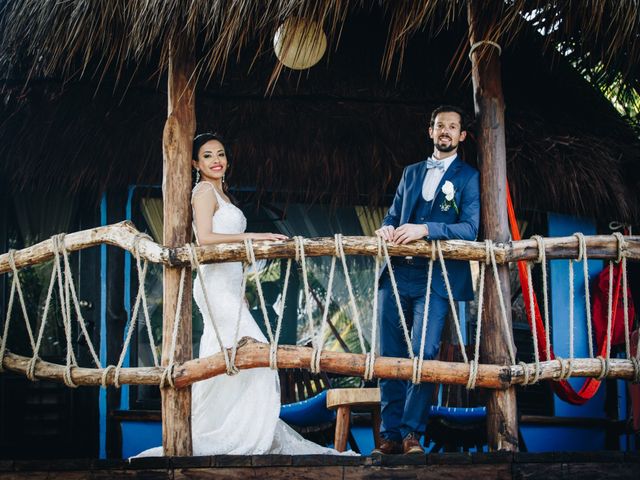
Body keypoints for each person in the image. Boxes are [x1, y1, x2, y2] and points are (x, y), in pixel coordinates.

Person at [137, 133, 354, 456]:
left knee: (231, 357)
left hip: (228, 286)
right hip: (212, 287)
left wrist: (240, 289)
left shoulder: (223, 194)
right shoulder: (203, 191)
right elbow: (207, 239)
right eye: (207, 156)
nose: (216, 160)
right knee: (253, 357)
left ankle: (238, 431)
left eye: (220, 154)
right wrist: (255, 237)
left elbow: (229, 251)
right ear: (195, 163)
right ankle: (235, 437)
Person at [373, 106, 480, 455]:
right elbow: (392, 214)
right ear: (430, 131)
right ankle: (388, 436)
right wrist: (387, 226)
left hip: (435, 279)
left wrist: (426, 229)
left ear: (462, 136)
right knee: (389, 354)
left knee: (424, 352)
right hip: (397, 272)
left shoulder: (468, 177)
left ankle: (411, 434)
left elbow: (470, 229)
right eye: (440, 126)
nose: (445, 131)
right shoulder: (411, 173)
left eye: (453, 126)